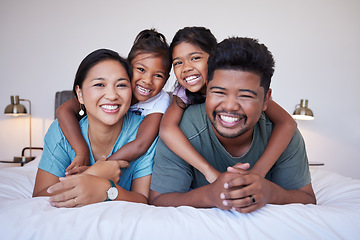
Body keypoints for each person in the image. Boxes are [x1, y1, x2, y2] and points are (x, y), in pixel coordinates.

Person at [150, 37, 316, 213]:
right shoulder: (183, 131)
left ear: (266, 99)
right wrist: (211, 195)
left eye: (245, 95)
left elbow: (306, 198)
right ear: (207, 89)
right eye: (219, 92)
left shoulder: (281, 134)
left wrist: (270, 192)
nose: (229, 106)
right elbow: (158, 200)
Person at [159, 27, 297, 183]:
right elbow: (167, 129)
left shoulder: (246, 89)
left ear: (213, 59)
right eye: (178, 62)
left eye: (195, 58)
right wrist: (208, 171)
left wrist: (259, 172)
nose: (186, 68)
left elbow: (287, 123)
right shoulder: (182, 94)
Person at [33, 49, 158, 207]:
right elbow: (40, 196)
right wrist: (94, 174)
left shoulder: (143, 132)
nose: (112, 95)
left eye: (121, 85)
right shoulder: (60, 132)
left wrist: (106, 188)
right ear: (80, 94)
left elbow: (142, 200)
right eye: (99, 84)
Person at [56, 29, 171, 175]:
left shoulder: (160, 101)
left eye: (158, 75)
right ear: (127, 68)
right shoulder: (111, 93)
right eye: (141, 69)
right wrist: (81, 151)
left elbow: (140, 144)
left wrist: (100, 168)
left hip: (133, 166)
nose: (147, 81)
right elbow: (63, 110)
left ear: (166, 79)